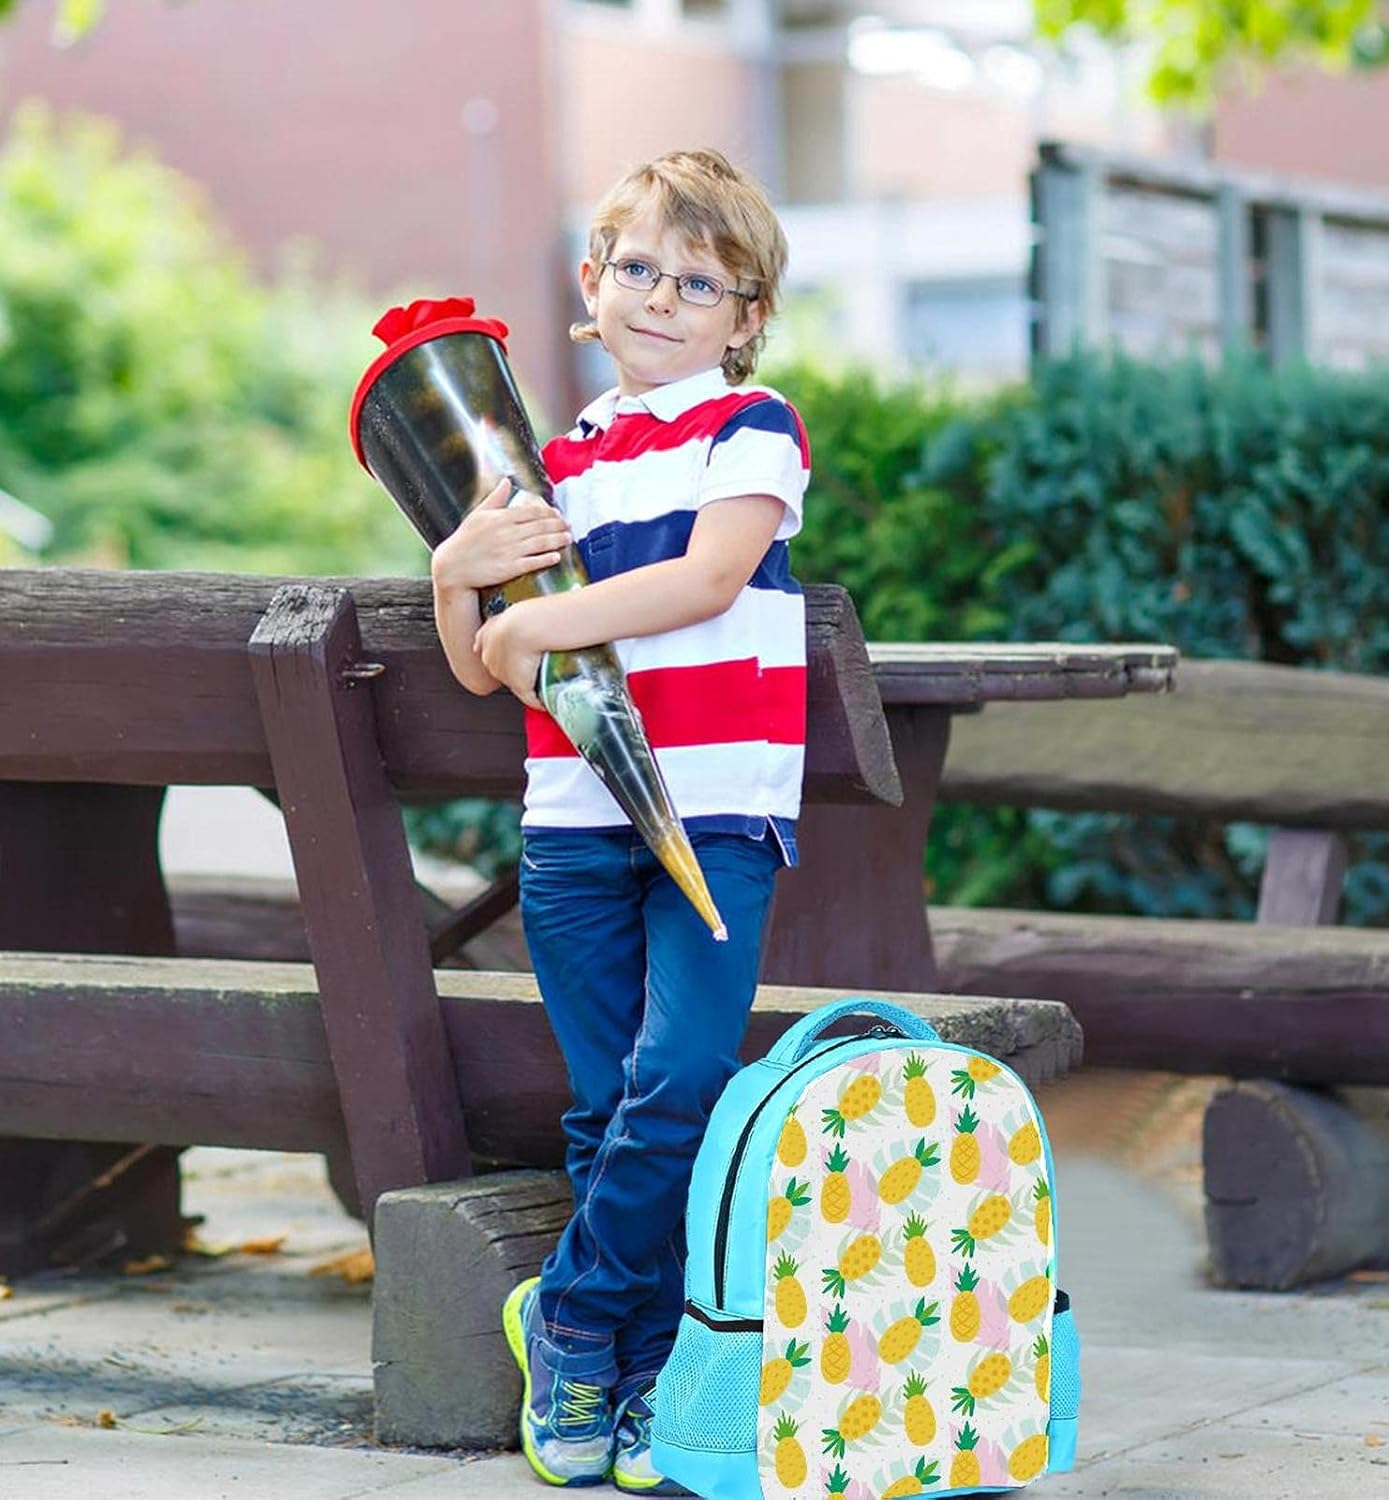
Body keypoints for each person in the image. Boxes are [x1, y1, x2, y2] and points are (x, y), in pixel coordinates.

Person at [429, 148, 810, 1494]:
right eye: (636, 268)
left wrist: (536, 612)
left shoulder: (751, 426)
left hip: (715, 814)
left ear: (743, 315)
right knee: (608, 1106)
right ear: (591, 286)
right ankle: (639, 1374)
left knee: (683, 1080)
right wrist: (457, 579)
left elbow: (710, 580)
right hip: (573, 826)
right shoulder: (553, 467)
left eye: (697, 281)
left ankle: (570, 1317)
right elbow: (490, 666)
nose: (661, 296)